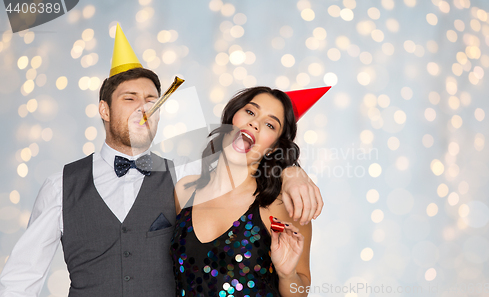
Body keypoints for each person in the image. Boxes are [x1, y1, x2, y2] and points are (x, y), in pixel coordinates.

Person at [0, 26, 323, 296]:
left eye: (152, 101)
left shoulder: (182, 178)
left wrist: (293, 171)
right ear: (104, 110)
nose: (144, 109)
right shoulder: (60, 186)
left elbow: (247, 170)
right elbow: (21, 278)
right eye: (130, 99)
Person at [171, 86, 329, 296]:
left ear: (273, 148)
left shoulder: (283, 205)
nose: (255, 123)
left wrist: (287, 274)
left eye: (270, 125)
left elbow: (299, 291)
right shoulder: (184, 190)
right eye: (251, 112)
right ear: (232, 118)